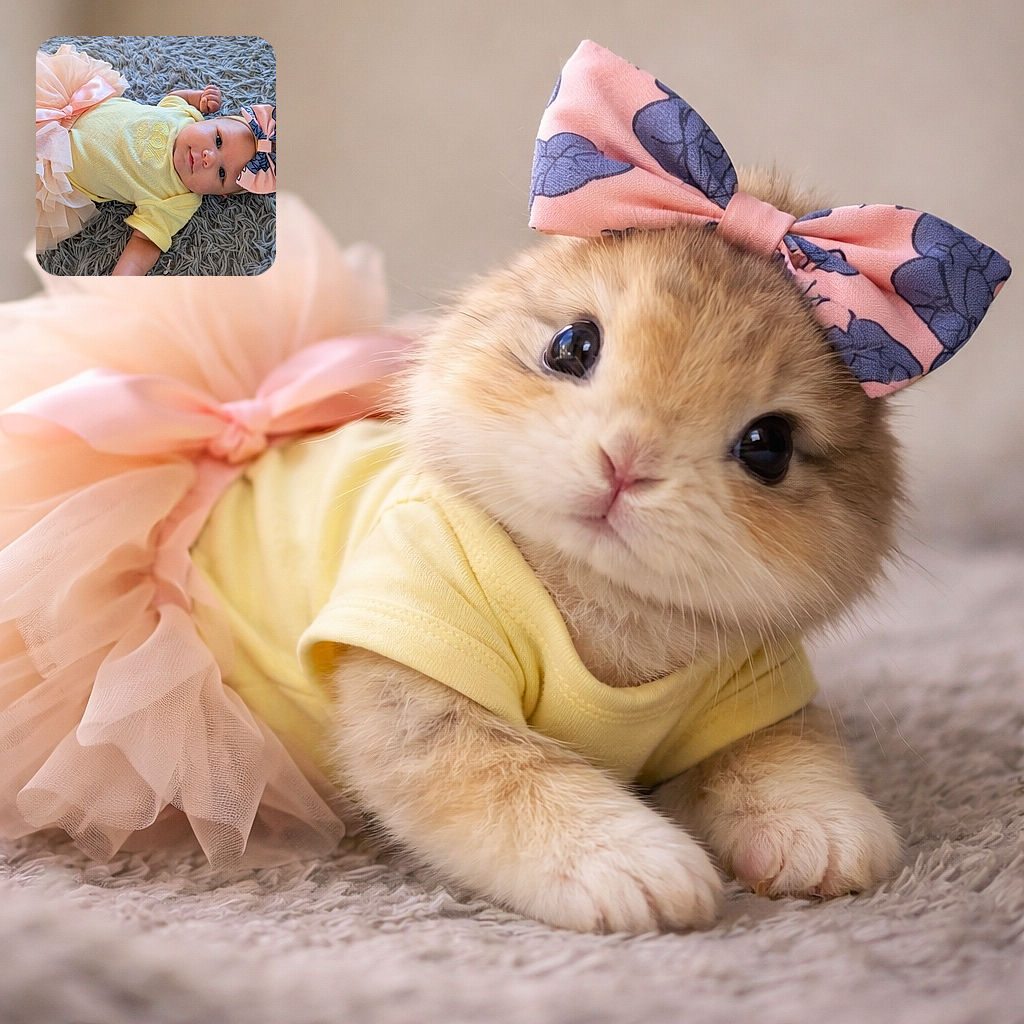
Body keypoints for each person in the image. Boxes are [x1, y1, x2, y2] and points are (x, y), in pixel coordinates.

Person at [36, 43, 276, 275]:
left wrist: (126, 277)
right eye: (218, 140)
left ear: (219, 194)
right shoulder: (185, 116)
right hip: (74, 104)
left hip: (53, 168)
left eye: (221, 173)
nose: (209, 158)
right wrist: (198, 98)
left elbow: (145, 241)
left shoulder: (179, 200)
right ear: (209, 121)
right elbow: (176, 97)